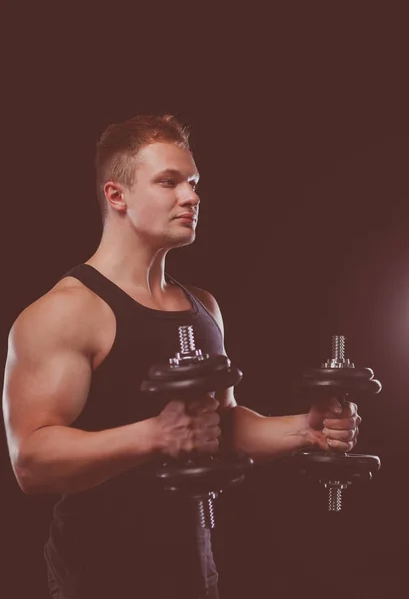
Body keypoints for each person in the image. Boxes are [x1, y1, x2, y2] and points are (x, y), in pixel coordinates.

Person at [2, 115, 361, 599]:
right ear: (117, 195)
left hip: (194, 569)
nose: (191, 197)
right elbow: (32, 462)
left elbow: (223, 424)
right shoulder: (67, 312)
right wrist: (154, 435)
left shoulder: (202, 306)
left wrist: (305, 429)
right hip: (102, 576)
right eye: (168, 182)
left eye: (192, 183)